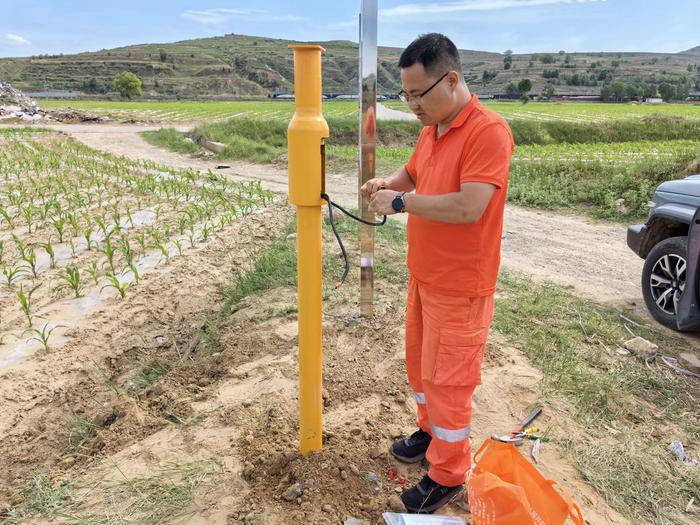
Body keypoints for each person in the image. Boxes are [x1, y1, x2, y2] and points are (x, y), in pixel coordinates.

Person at [360, 33, 514, 514]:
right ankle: (430, 436)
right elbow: (413, 172)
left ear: (451, 80)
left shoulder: (488, 132)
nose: (411, 106)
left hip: (461, 285)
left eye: (417, 94)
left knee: (449, 381)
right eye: (404, 95)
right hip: (424, 277)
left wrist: (400, 202)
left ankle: (448, 473)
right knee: (423, 370)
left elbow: (470, 206)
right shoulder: (434, 128)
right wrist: (389, 183)